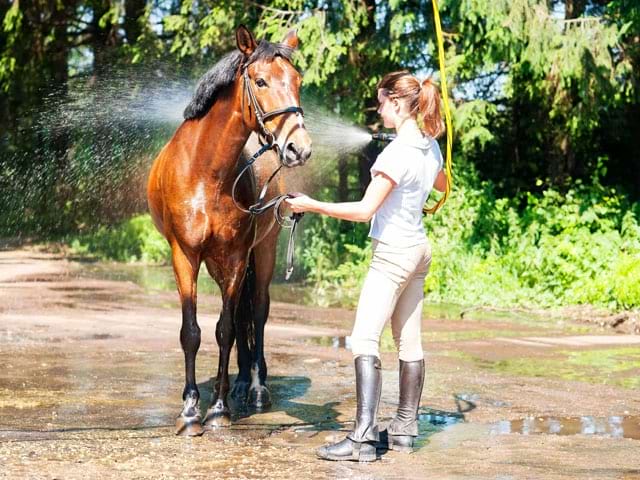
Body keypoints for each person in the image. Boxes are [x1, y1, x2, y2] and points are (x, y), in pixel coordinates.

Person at [285, 70, 447, 462]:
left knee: (363, 340)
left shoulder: (395, 155)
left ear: (396, 102)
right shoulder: (429, 147)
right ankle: (406, 429)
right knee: (409, 341)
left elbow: (364, 210)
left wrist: (312, 205)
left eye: (381, 102)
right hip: (419, 251)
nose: (378, 109)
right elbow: (442, 186)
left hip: (393, 254)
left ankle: (362, 439)